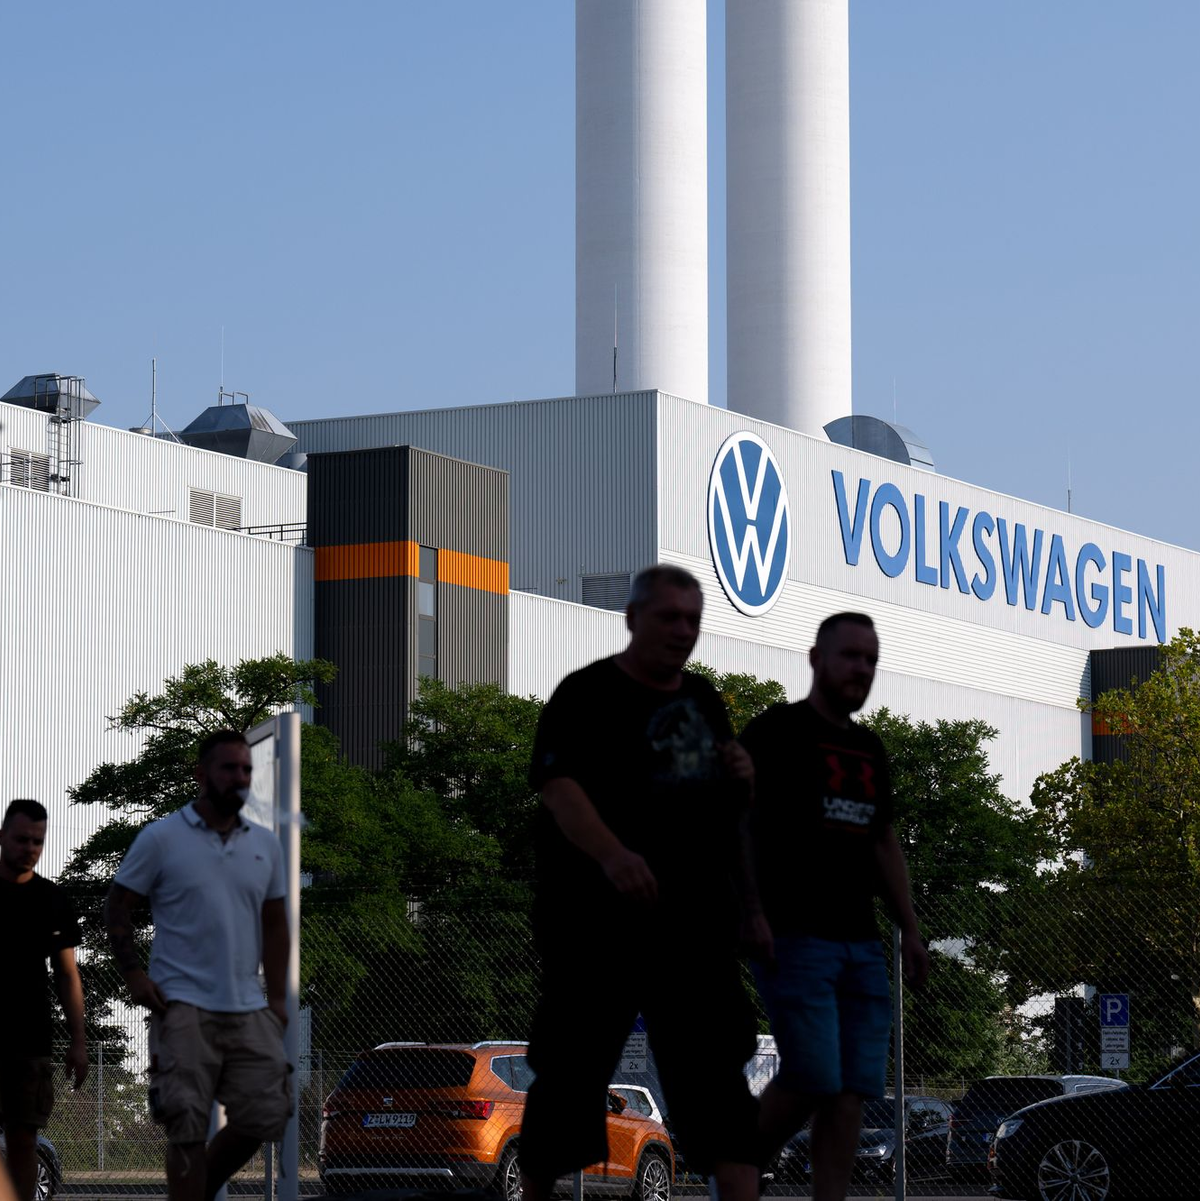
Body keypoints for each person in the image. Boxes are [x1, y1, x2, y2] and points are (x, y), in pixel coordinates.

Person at [519, 564, 767, 1201]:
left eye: (693, 619)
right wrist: (613, 855)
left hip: (693, 929)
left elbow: (731, 814)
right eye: (668, 617)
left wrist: (752, 908)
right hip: (595, 927)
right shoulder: (586, 695)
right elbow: (559, 788)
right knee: (568, 1079)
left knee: (720, 1093)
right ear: (633, 619)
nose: (683, 630)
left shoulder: (704, 704)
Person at [739, 612, 929, 1201]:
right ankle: (736, 1164)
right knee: (812, 1075)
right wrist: (749, 910)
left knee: (850, 1091)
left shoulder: (868, 749)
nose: (861, 669)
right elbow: (734, 822)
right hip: (793, 935)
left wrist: (912, 931)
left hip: (861, 943)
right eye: (850, 655)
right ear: (815, 658)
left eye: (870, 659)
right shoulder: (777, 731)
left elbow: (882, 840)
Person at [103, 731, 290, 1201]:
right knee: (185, 1126)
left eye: (246, 770)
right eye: (229, 768)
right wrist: (134, 975)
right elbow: (117, 905)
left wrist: (278, 1000)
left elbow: (275, 923)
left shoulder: (265, 844)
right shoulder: (163, 838)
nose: (240, 778)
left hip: (248, 1006)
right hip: (181, 1004)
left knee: (266, 1112)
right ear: (201, 774)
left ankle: (194, 1191)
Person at [0, 799, 88, 1201]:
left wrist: (78, 1039)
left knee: (23, 1140)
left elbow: (67, 974)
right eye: (21, 839)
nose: (30, 848)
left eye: (38, 841)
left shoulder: (51, 899)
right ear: (3, 837)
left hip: (29, 1039)